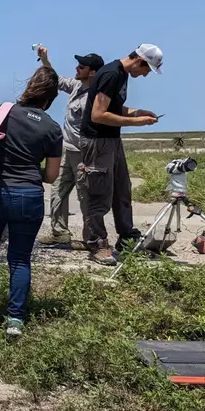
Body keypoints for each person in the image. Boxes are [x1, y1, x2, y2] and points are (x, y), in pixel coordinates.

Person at [0, 66, 63, 338]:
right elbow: (51, 176)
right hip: (29, 197)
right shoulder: (53, 128)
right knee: (19, 260)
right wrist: (32, 169)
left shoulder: (3, 112)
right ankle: (15, 321)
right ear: (50, 97)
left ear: (30, 86)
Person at [78, 44, 162, 266]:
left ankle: (127, 239)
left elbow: (114, 108)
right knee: (98, 194)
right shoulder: (111, 74)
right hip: (97, 141)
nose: (145, 75)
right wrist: (136, 122)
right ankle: (97, 244)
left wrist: (137, 112)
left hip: (112, 140)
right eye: (146, 70)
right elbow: (98, 115)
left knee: (122, 190)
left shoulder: (121, 74)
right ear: (139, 61)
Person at [35, 46, 104, 249]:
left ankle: (91, 239)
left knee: (86, 197)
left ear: (92, 72)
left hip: (84, 154)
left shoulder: (96, 96)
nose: (77, 68)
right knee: (57, 191)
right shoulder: (76, 86)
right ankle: (60, 233)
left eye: (82, 66)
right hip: (68, 151)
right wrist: (45, 59)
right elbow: (55, 80)